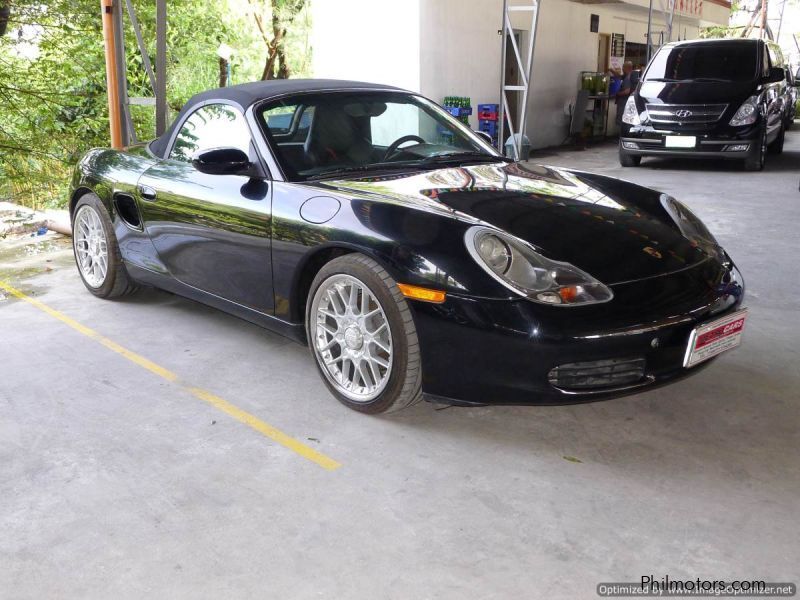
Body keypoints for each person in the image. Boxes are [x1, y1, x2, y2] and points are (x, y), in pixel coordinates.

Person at [615, 61, 640, 129]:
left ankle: (622, 136)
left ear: (627, 68)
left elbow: (627, 91)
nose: (622, 68)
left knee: (623, 120)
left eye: (623, 67)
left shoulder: (628, 78)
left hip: (624, 102)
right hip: (627, 102)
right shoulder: (631, 77)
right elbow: (619, 76)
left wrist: (617, 93)